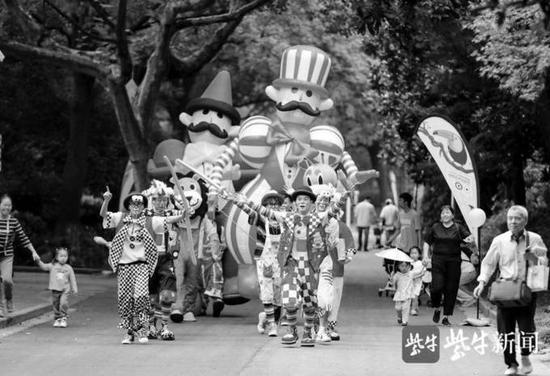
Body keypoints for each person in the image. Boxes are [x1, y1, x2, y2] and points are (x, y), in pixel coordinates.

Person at [235, 186, 338, 347]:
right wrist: (246, 201)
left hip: (309, 266)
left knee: (310, 302)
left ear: (311, 203)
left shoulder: (316, 218)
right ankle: (291, 331)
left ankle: (307, 333)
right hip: (291, 265)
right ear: (295, 203)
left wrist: (346, 193)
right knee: (289, 301)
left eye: (305, 199)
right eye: (299, 199)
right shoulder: (287, 217)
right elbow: (265, 212)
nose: (302, 202)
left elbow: (333, 211)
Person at [100, 189, 185, 344]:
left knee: (141, 298)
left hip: (142, 266)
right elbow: (104, 215)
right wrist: (106, 200)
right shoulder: (120, 218)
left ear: (143, 206)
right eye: (133, 204)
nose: (136, 207)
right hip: (124, 267)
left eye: (139, 204)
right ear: (129, 206)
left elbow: (170, 219)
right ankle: (129, 332)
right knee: (126, 300)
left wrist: (183, 214)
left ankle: (143, 330)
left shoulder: (150, 220)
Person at [473, 205, 548, 376]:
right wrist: (482, 282)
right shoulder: (499, 240)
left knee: (526, 328)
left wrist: (538, 256)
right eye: (510, 218)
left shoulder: (534, 239)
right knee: (504, 331)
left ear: (525, 221)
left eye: (517, 218)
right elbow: (489, 263)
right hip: (505, 290)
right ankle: (512, 365)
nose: (513, 222)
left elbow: (544, 262)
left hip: (527, 290)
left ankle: (526, 357)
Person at [236, 190, 283, 337]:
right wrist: (237, 201)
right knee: (267, 293)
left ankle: (265, 317)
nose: (272, 206)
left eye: (275, 204)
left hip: (281, 261)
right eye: (269, 204)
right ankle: (272, 325)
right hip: (264, 260)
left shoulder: (284, 219)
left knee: (280, 295)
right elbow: (249, 211)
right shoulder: (260, 218)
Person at [425, 205, 476, 326]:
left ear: (452, 215)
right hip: (437, 260)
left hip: (454, 262)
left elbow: (469, 240)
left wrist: (471, 241)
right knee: (436, 287)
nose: (445, 215)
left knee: (451, 289)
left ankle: (446, 316)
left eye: (447, 213)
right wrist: (425, 257)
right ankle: (437, 307)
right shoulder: (435, 227)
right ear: (440, 216)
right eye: (443, 213)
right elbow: (427, 242)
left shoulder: (458, 228)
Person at [142, 180, 179, 340]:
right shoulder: (145, 215)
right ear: (152, 200)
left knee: (166, 294)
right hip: (147, 259)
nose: (161, 203)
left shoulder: (171, 214)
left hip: (166, 259)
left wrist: (184, 207)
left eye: (164, 200)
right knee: (149, 295)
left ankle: (164, 327)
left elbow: (186, 213)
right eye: (157, 199)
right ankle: (151, 326)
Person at [0, 194, 39, 316]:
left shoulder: (13, 221)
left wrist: (34, 252)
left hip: (7, 255)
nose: (7, 207)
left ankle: (9, 299)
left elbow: (24, 238)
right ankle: (0, 308)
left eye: (9, 205)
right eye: (4, 204)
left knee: (7, 280)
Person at [33, 247, 78, 328]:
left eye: (65, 256)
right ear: (57, 257)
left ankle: (63, 318)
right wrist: (38, 260)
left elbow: (72, 279)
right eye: (61, 256)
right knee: (56, 304)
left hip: (65, 289)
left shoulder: (69, 268)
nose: (64, 258)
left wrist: (74, 288)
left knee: (63, 303)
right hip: (55, 290)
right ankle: (58, 319)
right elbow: (43, 267)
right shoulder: (52, 266)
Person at [392, 261, 413, 326]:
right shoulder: (397, 275)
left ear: (409, 266)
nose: (404, 268)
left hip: (407, 294)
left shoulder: (411, 274)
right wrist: (392, 277)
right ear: (398, 267)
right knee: (398, 308)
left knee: (405, 308)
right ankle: (399, 316)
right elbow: (393, 283)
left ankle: (405, 321)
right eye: (402, 266)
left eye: (406, 266)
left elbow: (419, 274)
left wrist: (424, 267)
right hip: (399, 293)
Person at [409, 246, 425, 316]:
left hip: (417, 283)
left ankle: (413, 310)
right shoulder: (408, 263)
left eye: (415, 253)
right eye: (412, 253)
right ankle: (415, 307)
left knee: (415, 296)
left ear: (419, 255)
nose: (413, 255)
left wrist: (416, 277)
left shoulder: (421, 263)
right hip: (409, 283)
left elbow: (422, 273)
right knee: (410, 297)